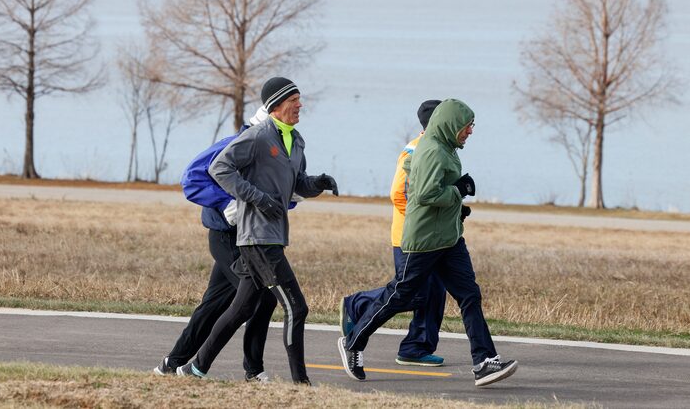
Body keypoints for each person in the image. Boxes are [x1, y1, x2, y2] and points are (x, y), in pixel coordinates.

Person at [337, 99, 518, 388]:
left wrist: (456, 208)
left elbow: (428, 184)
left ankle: (484, 362)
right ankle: (354, 342)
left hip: (448, 239)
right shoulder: (432, 150)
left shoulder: (444, 146)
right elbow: (423, 195)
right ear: (450, 124)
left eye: (472, 126)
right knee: (400, 294)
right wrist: (457, 191)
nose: (470, 131)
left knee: (469, 295)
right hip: (423, 241)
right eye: (467, 126)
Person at [177, 77, 338, 385]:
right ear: (276, 105)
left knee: (241, 308)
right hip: (256, 237)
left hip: (275, 234)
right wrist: (254, 198)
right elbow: (218, 168)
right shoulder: (258, 136)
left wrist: (318, 183)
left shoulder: (296, 141)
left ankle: (194, 367)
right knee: (296, 307)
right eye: (294, 100)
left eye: (300, 100)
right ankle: (300, 384)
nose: (300, 105)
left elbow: (297, 183)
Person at [153, 106, 276, 382]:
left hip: (250, 238)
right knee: (262, 298)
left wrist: (299, 192)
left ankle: (170, 364)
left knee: (213, 305)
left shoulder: (271, 150)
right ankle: (253, 371)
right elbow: (192, 179)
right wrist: (225, 203)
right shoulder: (234, 145)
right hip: (226, 237)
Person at [340, 100, 449, 367]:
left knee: (435, 291)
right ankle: (357, 304)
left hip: (434, 237)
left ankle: (415, 348)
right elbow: (398, 193)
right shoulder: (414, 150)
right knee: (412, 293)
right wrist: (423, 219)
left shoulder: (441, 148)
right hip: (410, 237)